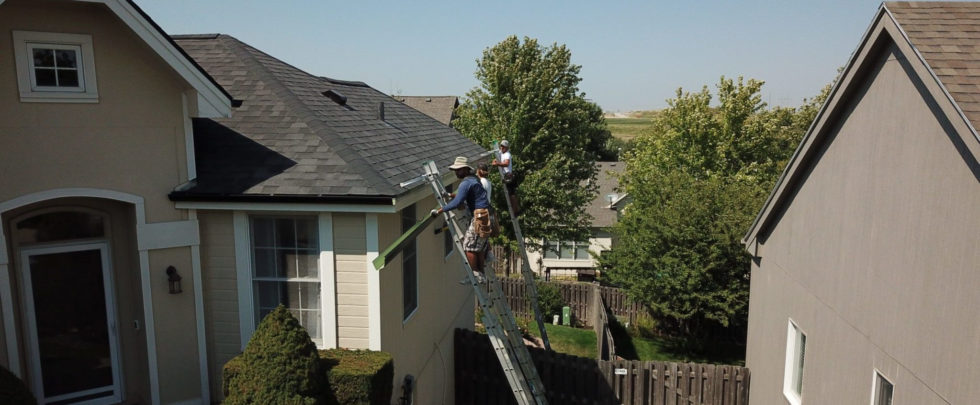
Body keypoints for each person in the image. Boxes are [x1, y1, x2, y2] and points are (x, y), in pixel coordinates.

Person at [433, 156, 492, 282]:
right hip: (487, 215)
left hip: (480, 217)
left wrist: (439, 211)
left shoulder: (466, 182)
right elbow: (463, 196)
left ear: (465, 169)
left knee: (468, 246)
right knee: (479, 248)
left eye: (458, 170)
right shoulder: (473, 179)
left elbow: (457, 202)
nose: (456, 172)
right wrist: (449, 195)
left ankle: (475, 275)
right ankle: (481, 275)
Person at [491, 140, 520, 214]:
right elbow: (496, 157)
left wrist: (497, 164)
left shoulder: (507, 154)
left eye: (503, 146)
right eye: (501, 146)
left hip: (508, 175)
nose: (501, 147)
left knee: (511, 194)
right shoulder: (502, 153)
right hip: (506, 175)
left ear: (507, 147)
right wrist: (495, 161)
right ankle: (515, 210)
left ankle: (515, 211)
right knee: (510, 194)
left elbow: (506, 164)